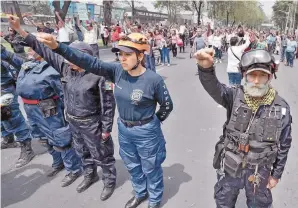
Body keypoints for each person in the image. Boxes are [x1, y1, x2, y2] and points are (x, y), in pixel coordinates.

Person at [34, 30, 173, 208]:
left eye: (128, 54)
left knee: (151, 167)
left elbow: (167, 106)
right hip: (124, 129)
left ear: (140, 56)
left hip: (146, 131)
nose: (122, 58)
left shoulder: (153, 79)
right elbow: (88, 61)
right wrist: (56, 46)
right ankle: (140, 192)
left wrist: (149, 123)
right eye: (120, 54)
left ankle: (154, 199)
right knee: (132, 165)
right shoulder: (116, 72)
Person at [9, 16, 117, 198]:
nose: (66, 60)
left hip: (92, 123)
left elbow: (108, 105)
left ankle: (109, 181)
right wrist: (20, 30)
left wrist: (106, 129)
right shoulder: (66, 69)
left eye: (71, 57)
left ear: (84, 58)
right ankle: (89, 175)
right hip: (73, 121)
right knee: (82, 151)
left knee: (102, 155)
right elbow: (44, 50)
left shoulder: (100, 75)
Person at [195, 48, 292, 208]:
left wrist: (276, 175)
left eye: (261, 76)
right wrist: (205, 69)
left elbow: (285, 144)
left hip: (259, 171)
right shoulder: (234, 96)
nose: (256, 81)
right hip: (231, 166)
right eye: (252, 75)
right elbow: (214, 88)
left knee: (259, 205)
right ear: (244, 76)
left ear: (269, 77)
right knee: (223, 202)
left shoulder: (281, 107)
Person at [3, 46, 82, 186]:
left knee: (60, 139)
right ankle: (58, 163)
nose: (28, 50)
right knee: (43, 138)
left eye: (32, 48)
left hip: (48, 108)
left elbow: (64, 93)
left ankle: (73, 169)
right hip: (30, 109)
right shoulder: (27, 64)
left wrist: (70, 112)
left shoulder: (52, 69)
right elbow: (8, 56)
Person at [1, 45, 34, 168]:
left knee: (12, 119)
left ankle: (27, 149)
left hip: (4, 89)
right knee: (1, 120)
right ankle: (8, 139)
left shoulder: (3, 54)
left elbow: (20, 65)